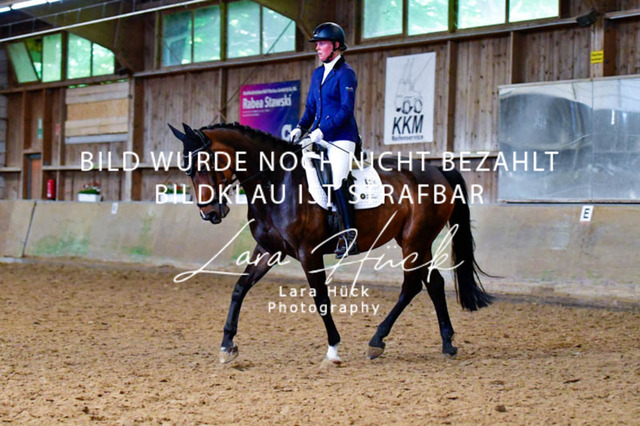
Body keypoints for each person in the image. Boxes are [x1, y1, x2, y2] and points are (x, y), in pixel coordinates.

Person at [289, 22, 360, 259]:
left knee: (338, 180)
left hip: (341, 138)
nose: (317, 47)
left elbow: (345, 111)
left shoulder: (346, 73)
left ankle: (349, 236)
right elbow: (311, 107)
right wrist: (300, 128)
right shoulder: (318, 73)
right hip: (318, 135)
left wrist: (321, 131)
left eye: (322, 43)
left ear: (336, 45)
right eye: (317, 44)